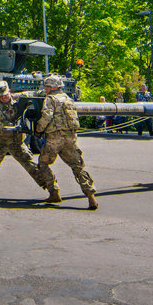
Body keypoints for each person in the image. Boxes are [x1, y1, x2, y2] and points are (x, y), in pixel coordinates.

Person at [31, 75, 98, 209]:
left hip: (54, 139)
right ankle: (91, 196)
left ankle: (54, 192)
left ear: (52, 87)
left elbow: (47, 115)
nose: (45, 89)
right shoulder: (69, 99)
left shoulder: (50, 99)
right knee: (77, 166)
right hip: (70, 138)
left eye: (47, 87)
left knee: (43, 163)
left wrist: (38, 129)